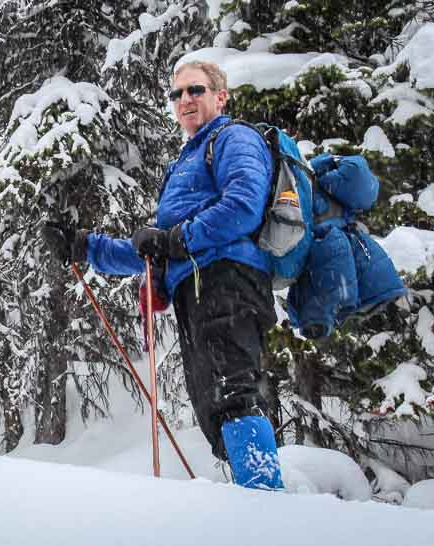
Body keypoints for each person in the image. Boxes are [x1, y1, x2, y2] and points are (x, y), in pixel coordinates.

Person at [42, 60, 284, 490]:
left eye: (195, 90)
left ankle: (267, 498)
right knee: (214, 402)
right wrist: (86, 247)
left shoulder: (234, 138)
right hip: (196, 288)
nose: (185, 100)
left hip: (228, 279)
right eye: (177, 94)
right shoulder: (185, 162)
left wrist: (176, 240)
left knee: (233, 391)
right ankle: (253, 498)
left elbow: (243, 206)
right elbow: (156, 253)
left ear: (220, 96)